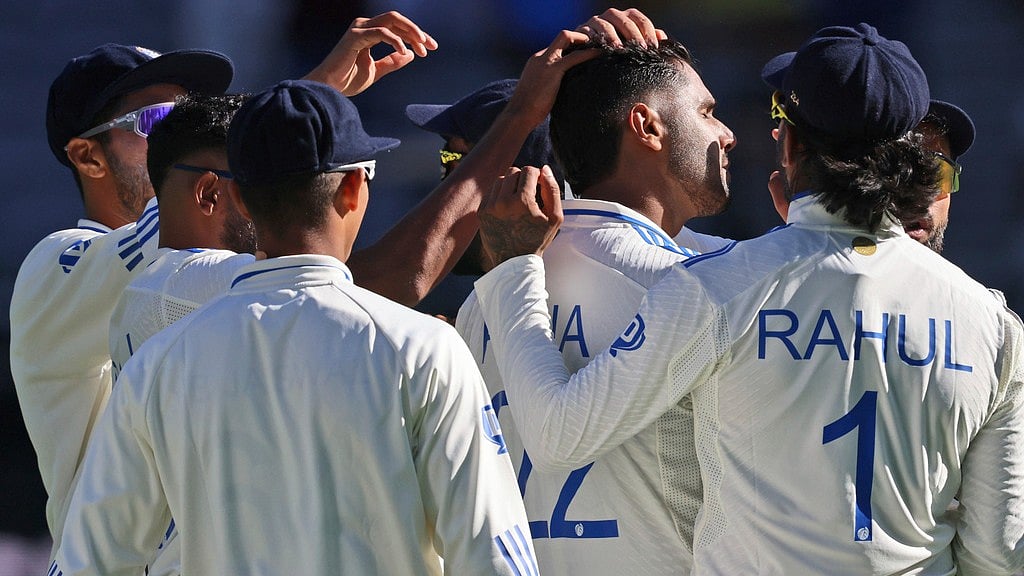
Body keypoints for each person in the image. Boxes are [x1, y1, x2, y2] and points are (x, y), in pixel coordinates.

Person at [472, 23, 1024, 574]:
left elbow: (558, 434)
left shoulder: (715, 286)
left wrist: (511, 271)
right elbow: (999, 552)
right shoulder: (993, 322)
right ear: (917, 155)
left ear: (791, 142)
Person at [52, 79, 538, 576]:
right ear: (353, 187)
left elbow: (85, 564)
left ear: (238, 197)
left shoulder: (157, 365)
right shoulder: (426, 348)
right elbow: (495, 556)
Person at [12, 12, 437, 562]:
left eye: (186, 116)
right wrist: (305, 99)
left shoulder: (215, 251)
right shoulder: (58, 264)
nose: (180, 134)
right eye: (158, 120)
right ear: (87, 155)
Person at [454, 37, 735, 574]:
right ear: (647, 127)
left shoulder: (482, 300)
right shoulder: (690, 287)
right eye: (707, 112)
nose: (727, 133)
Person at [901, 100, 975, 253]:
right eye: (903, 173)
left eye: (938, 173)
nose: (921, 195)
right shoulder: (840, 272)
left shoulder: (952, 278)